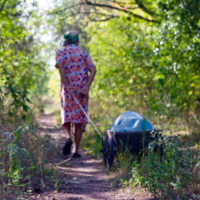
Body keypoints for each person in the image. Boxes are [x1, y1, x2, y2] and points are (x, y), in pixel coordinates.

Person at [55, 30, 96, 158]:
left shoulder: (61, 51)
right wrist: (86, 87)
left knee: (66, 115)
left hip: (68, 89)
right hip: (81, 90)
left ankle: (68, 138)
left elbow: (60, 66)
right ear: (77, 40)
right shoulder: (84, 53)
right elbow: (93, 69)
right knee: (79, 120)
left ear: (66, 40)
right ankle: (76, 151)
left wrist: (67, 85)